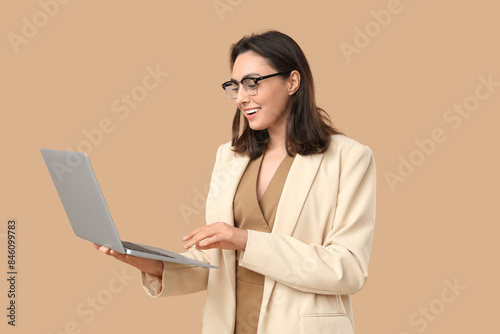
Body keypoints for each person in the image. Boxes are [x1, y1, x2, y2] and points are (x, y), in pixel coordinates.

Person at [94, 30, 377, 334]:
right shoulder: (230, 157)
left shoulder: (349, 159)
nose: (242, 97)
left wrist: (245, 240)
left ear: (293, 82)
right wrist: (150, 264)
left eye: (253, 83)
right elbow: (218, 261)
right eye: (235, 86)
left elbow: (348, 270)